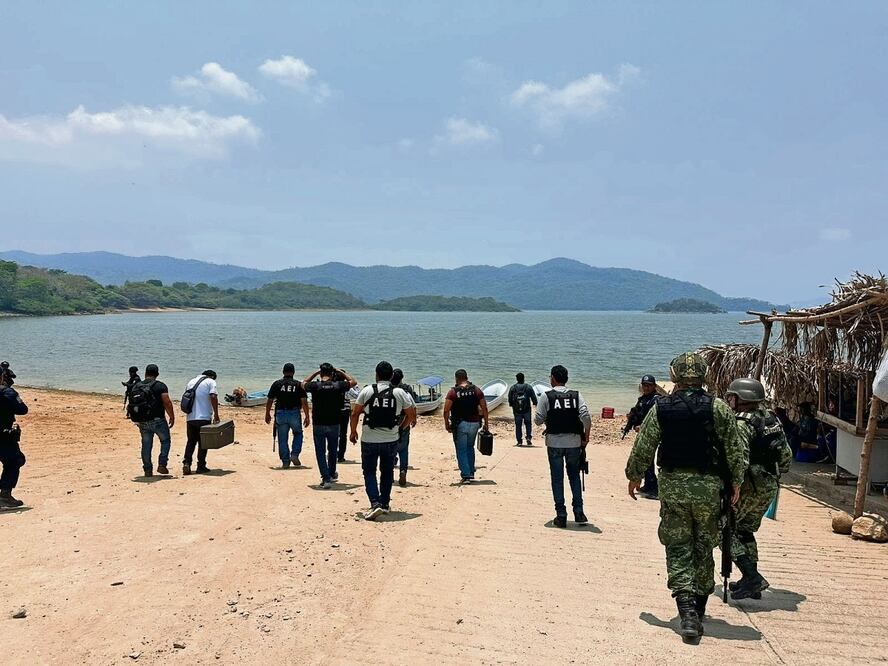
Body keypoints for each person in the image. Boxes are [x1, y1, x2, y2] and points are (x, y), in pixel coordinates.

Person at [625, 352, 745, 641]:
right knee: (704, 546)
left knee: (678, 546)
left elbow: (644, 445)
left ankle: (687, 612)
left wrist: (634, 475)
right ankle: (698, 610)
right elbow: (734, 449)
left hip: (673, 488)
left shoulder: (662, 409)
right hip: (708, 489)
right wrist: (736, 484)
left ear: (676, 378)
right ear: (703, 377)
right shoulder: (718, 408)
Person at [724, 378, 793, 600]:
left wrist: (733, 486)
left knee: (723, 530)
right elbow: (786, 457)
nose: (729, 401)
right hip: (769, 485)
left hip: (749, 487)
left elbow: (740, 459)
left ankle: (752, 576)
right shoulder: (772, 419)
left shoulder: (742, 424)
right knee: (745, 531)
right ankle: (750, 584)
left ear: (740, 399)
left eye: (731, 397)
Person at [349, 362, 415, 521]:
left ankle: (375, 502)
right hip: (391, 439)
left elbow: (355, 413)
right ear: (392, 376)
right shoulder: (399, 392)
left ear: (376, 375)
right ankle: (384, 503)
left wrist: (353, 431)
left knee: (369, 472)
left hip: (369, 439)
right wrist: (400, 428)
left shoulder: (367, 390)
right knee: (387, 472)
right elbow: (411, 415)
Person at [534, 365, 592, 527]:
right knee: (574, 476)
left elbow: (538, 420)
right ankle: (579, 512)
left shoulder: (547, 397)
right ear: (566, 379)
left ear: (553, 378)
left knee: (557, 478)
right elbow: (586, 416)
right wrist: (586, 436)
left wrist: (545, 417)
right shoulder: (576, 395)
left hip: (554, 443)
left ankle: (561, 514)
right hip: (574, 442)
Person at [304, 363, 357, 488]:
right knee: (333, 450)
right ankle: (332, 474)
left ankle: (326, 478)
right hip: (334, 422)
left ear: (321, 373)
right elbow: (353, 382)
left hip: (318, 423)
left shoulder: (315, 386)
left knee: (320, 451)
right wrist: (340, 371)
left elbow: (303, 382)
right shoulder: (337, 385)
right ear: (332, 373)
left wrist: (316, 372)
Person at [128, 364, 175, 477]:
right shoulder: (160, 386)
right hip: (158, 420)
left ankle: (147, 470)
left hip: (142, 421)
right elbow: (167, 402)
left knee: (146, 445)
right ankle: (162, 464)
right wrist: (172, 416)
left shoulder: (137, 386)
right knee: (165, 441)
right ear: (157, 374)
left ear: (145, 373)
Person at [443, 369, 489, 483]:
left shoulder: (453, 392)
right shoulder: (476, 390)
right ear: (467, 377)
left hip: (460, 424)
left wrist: (446, 423)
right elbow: (484, 408)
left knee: (461, 449)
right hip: (475, 423)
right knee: (470, 447)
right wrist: (486, 424)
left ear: (456, 379)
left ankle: (466, 475)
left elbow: (446, 410)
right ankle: (471, 471)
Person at [265, 363, 310, 468]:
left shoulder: (277, 384)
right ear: (293, 372)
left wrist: (267, 413)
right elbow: (304, 401)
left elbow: (270, 400)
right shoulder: (298, 385)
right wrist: (307, 416)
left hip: (280, 413)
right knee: (298, 433)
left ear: (283, 372)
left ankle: (285, 461)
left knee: (282, 438)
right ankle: (294, 454)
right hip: (294, 413)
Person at [625, 374, 661, 499]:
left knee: (647, 460)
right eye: (644, 385)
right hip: (643, 434)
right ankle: (649, 484)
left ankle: (653, 488)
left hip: (651, 435)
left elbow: (655, 419)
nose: (646, 388)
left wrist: (643, 427)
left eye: (649, 385)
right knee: (646, 461)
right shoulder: (643, 399)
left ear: (654, 386)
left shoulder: (656, 400)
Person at [0, 362, 28, 508]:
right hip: (3, 437)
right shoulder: (7, 392)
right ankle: (4, 495)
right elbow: (22, 409)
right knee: (15, 460)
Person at [183, 370, 220, 475]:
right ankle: (201, 466)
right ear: (212, 376)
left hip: (190, 417)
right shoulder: (210, 381)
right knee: (203, 443)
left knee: (191, 441)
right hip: (204, 417)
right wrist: (216, 414)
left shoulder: (191, 382)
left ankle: (187, 463)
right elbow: (213, 396)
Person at [391, 368, 418, 487]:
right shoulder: (406, 389)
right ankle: (403, 470)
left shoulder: (388, 389)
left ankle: (390, 473)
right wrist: (414, 419)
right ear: (402, 378)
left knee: (390, 447)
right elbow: (413, 405)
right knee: (403, 448)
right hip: (405, 419)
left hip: (391, 420)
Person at [508, 372, 538, 446]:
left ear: (517, 379)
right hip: (527, 409)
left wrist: (512, 405)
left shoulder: (513, 387)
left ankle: (519, 441)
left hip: (517, 410)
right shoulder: (528, 387)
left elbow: (510, 398)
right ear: (524, 378)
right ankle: (528, 438)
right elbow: (533, 397)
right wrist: (535, 403)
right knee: (528, 423)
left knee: (518, 425)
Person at [336, 374, 356, 462]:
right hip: (345, 412)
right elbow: (357, 395)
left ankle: (332, 453)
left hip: (334, 411)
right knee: (343, 434)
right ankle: (341, 456)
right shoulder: (348, 387)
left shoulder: (334, 385)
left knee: (333, 433)